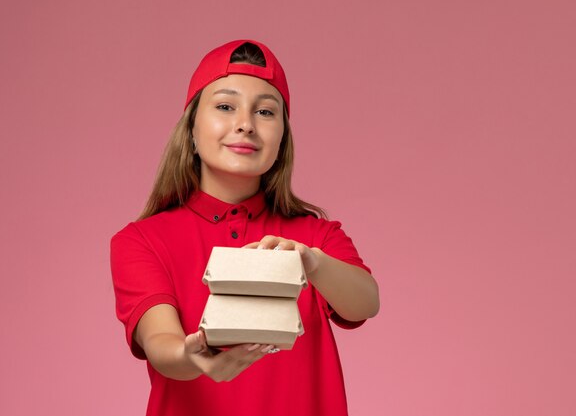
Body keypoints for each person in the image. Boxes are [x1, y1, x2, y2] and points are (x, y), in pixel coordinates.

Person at [110, 39, 380, 416]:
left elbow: (366, 302)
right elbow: (160, 342)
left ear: (283, 136)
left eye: (266, 112)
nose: (245, 124)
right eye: (225, 106)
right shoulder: (141, 241)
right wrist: (193, 355)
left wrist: (313, 263)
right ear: (191, 128)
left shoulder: (317, 236)